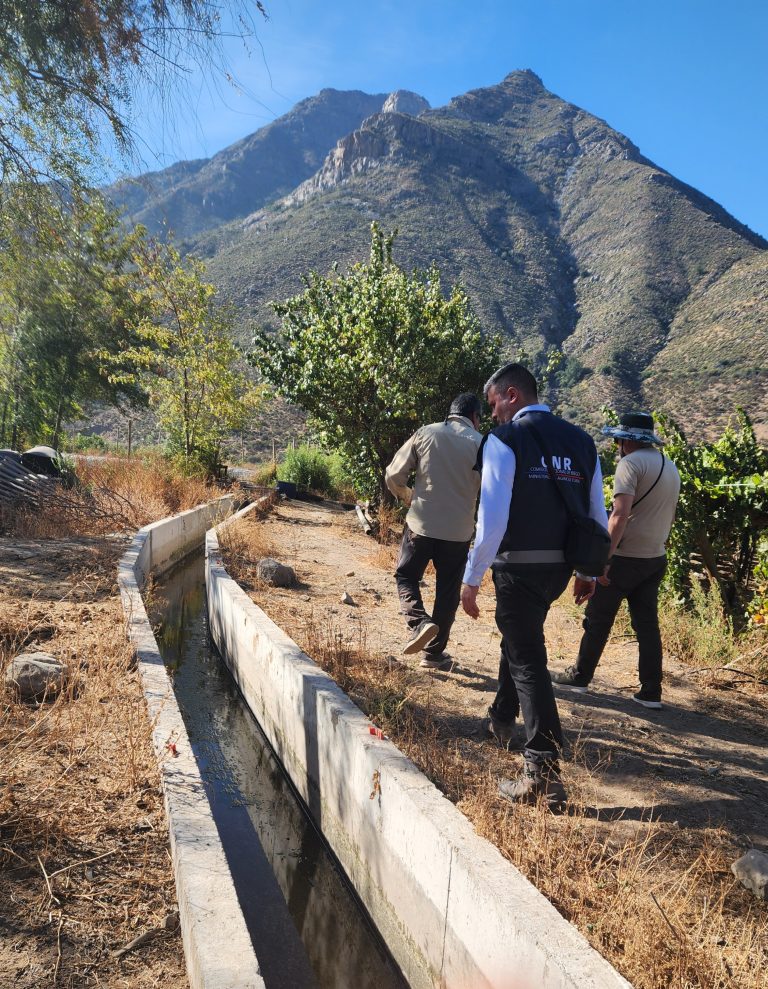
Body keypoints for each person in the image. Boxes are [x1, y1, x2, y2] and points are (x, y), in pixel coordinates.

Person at [460, 363, 607, 808]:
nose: (493, 416)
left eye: (494, 405)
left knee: (528, 659)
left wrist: (471, 577)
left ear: (511, 395)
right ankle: (502, 718)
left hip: (518, 569)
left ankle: (542, 768)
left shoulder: (505, 441)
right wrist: (587, 572)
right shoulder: (582, 442)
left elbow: (492, 520)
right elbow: (595, 516)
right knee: (519, 640)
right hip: (558, 572)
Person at [551, 412, 680, 709]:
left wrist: (601, 560)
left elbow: (619, 516)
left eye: (619, 439)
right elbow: (670, 515)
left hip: (624, 558)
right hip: (655, 557)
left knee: (598, 619)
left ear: (626, 440)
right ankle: (651, 691)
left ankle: (580, 676)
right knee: (647, 626)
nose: (617, 445)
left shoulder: (629, 465)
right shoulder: (670, 467)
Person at [385, 393, 483, 669]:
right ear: (475, 418)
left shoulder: (426, 433)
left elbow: (393, 475)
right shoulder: (482, 444)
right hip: (459, 533)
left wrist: (408, 497)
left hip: (421, 524)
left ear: (451, 412)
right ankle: (433, 654)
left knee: (406, 575)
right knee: (448, 591)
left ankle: (419, 623)